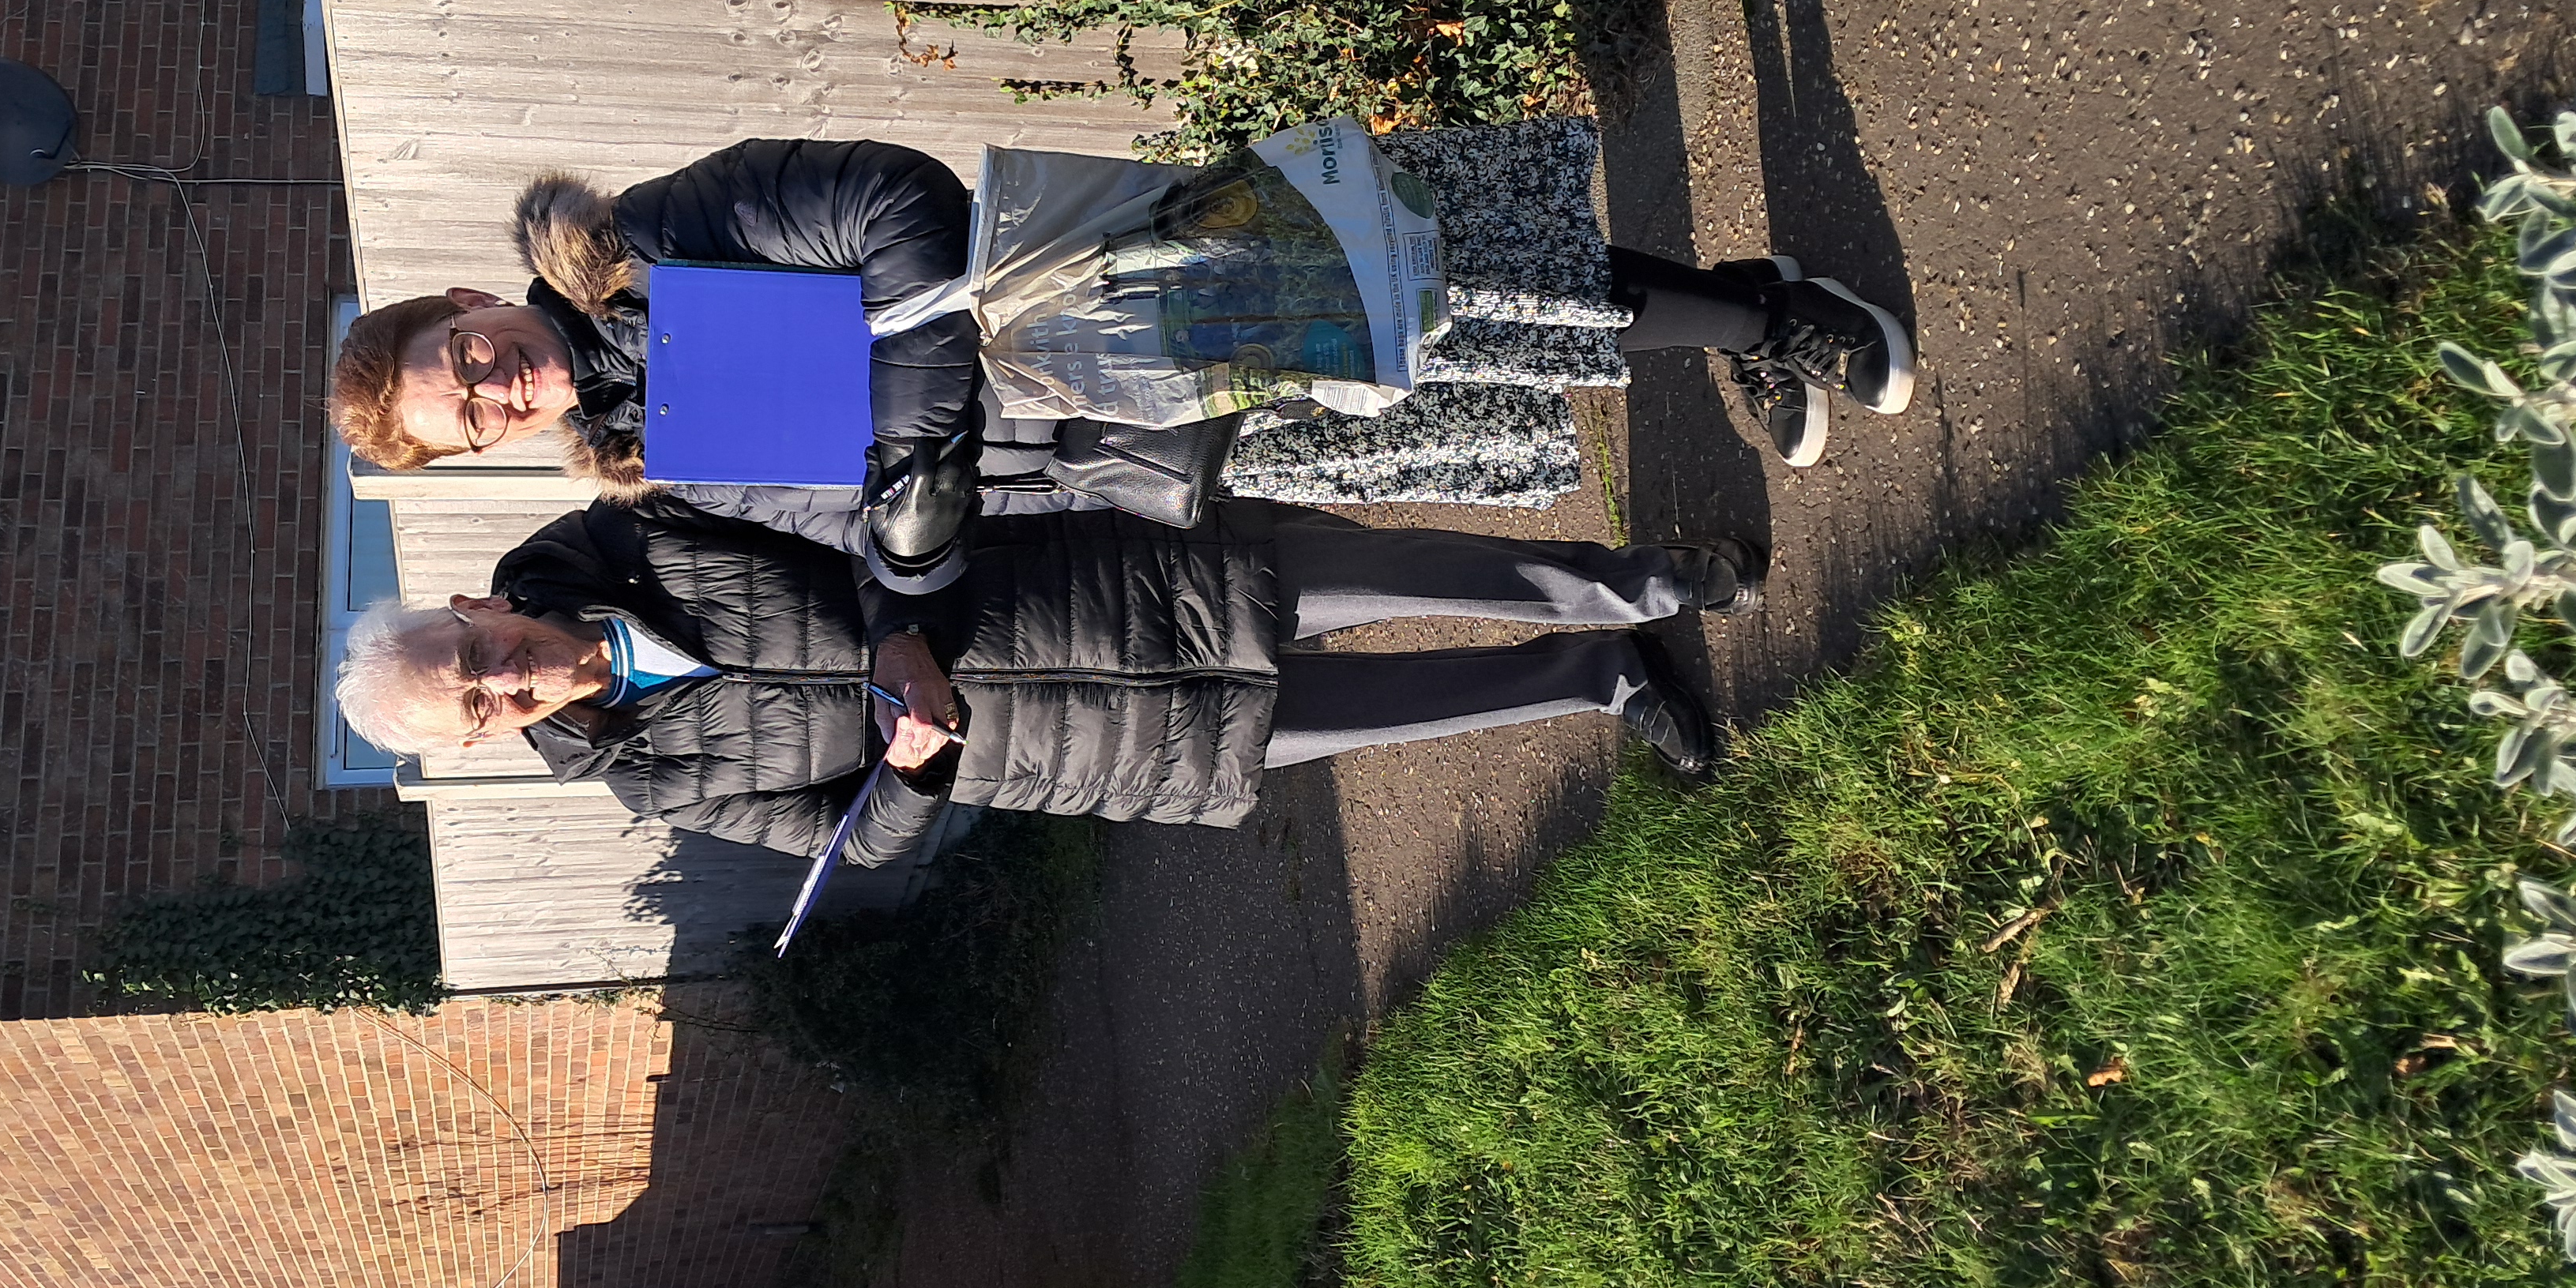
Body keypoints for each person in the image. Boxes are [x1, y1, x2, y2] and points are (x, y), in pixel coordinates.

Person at [324, 130, 1912, 537]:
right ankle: (1733, 320)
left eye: (466, 360)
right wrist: (919, 546)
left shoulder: (663, 239)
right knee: (1431, 385)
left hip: (1112, 289)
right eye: (475, 418)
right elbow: (851, 499)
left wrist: (923, 433)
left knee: (1447, 290)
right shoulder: (652, 450)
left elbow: (897, 203)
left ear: (469, 303)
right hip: (1110, 435)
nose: (495, 388)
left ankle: (1767, 310)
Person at [333, 494, 1761, 867]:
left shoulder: (641, 531)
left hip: (1078, 586)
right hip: (1067, 749)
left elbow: (840, 500)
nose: (502, 683)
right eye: (478, 708)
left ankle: (1643, 583)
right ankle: (1593, 676)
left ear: (476, 606)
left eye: (474, 658)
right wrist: (907, 778)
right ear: (483, 743)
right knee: (1389, 715)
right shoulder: (650, 782)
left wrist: (896, 623)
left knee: (1395, 575)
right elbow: (848, 845)